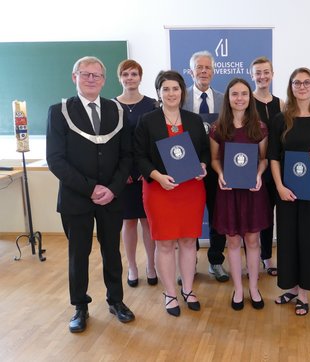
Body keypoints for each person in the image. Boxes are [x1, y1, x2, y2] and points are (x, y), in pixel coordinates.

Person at [46, 56, 135, 333]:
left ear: (104, 80)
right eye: (86, 74)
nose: (91, 79)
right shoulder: (58, 111)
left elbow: (127, 156)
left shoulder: (116, 110)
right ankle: (80, 307)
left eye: (97, 75)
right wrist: (90, 188)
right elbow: (56, 160)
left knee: (112, 251)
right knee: (78, 255)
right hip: (76, 199)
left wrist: (113, 188)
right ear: (75, 77)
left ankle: (116, 301)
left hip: (111, 198)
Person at [134, 70, 209, 317]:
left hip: (191, 190)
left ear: (182, 91)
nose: (171, 93)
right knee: (164, 244)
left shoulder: (194, 120)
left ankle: (187, 289)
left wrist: (203, 167)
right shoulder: (147, 120)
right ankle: (169, 293)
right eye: (165, 89)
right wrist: (157, 176)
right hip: (159, 189)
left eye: (175, 88)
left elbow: (205, 152)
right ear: (158, 93)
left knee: (188, 241)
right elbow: (139, 156)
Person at [268, 67, 310, 316]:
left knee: (308, 239)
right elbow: (273, 156)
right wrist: (279, 187)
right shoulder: (280, 119)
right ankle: (291, 288)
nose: (302, 87)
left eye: (307, 83)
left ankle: (304, 293)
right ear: (291, 86)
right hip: (285, 190)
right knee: (287, 239)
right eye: (297, 82)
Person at [210, 78, 271, 310]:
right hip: (228, 191)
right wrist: (221, 174)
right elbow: (215, 159)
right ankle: (238, 289)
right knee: (233, 241)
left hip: (252, 190)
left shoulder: (260, 127)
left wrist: (258, 174)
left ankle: (253, 288)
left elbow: (263, 159)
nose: (239, 98)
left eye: (244, 94)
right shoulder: (218, 128)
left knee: (253, 240)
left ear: (250, 97)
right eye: (234, 94)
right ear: (228, 98)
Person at [182, 50, 229, 282]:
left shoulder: (224, 100)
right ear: (191, 72)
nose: (203, 71)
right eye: (198, 67)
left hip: (217, 166)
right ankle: (189, 263)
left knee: (217, 215)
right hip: (188, 168)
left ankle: (216, 261)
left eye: (207, 67)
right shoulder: (179, 99)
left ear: (213, 71)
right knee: (189, 216)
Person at [115, 59, 157, 288]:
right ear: (119, 78)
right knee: (128, 223)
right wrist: (123, 173)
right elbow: (110, 145)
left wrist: (146, 169)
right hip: (123, 174)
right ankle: (132, 267)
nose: (130, 78)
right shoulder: (110, 106)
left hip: (145, 173)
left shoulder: (152, 104)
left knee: (148, 222)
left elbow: (154, 140)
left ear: (140, 77)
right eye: (126, 74)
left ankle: (151, 265)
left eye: (134, 74)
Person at [250, 56, 284, 276]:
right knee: (255, 213)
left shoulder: (280, 103)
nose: (262, 76)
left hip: (276, 165)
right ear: (251, 75)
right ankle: (252, 256)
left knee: (271, 213)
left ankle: (267, 257)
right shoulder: (246, 101)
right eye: (258, 73)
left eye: (266, 72)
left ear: (272, 74)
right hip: (251, 167)